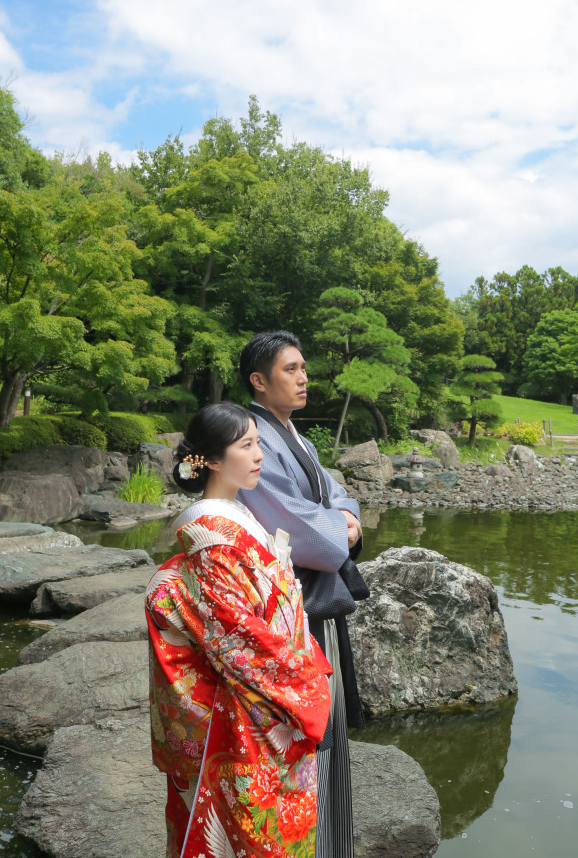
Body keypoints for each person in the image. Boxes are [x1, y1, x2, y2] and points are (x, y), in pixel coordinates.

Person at [146, 401, 333, 858]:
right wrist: (304, 685)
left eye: (258, 444)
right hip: (250, 704)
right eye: (246, 445)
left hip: (263, 692)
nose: (258, 456)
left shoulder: (235, 515)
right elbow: (234, 636)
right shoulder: (210, 535)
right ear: (210, 459)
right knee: (246, 834)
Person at [236, 330, 367, 858]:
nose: (304, 377)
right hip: (289, 613)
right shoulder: (253, 441)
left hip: (316, 602)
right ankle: (305, 845)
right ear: (259, 381)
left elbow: (335, 493)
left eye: (304, 367)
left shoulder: (298, 437)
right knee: (306, 731)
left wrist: (349, 517)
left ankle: (329, 844)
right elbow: (295, 525)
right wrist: (343, 529)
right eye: (291, 369)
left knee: (328, 728)